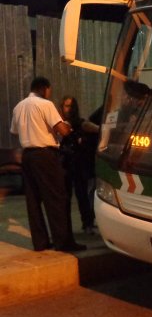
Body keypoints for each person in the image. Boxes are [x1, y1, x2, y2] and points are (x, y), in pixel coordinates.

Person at [10, 77, 86, 252]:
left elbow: (14, 131)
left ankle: (40, 242)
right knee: (57, 197)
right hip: (45, 155)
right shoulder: (45, 104)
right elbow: (63, 131)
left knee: (33, 200)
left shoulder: (18, 106)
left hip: (27, 156)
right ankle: (63, 241)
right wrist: (66, 126)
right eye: (50, 90)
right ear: (44, 89)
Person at [59, 96, 100, 235]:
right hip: (64, 164)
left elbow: (93, 127)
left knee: (82, 194)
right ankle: (65, 227)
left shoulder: (79, 123)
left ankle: (87, 223)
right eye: (66, 106)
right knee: (65, 197)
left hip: (78, 164)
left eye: (70, 106)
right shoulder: (58, 123)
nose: (68, 109)